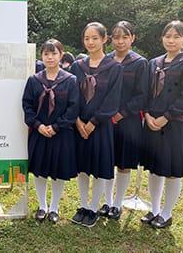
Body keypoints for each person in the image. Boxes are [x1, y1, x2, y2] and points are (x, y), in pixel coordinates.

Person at [140, 20, 183, 229]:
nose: (171, 40)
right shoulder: (154, 62)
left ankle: (166, 213)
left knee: (173, 170)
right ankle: (154, 209)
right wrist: (147, 114)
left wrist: (165, 117)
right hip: (151, 122)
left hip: (174, 123)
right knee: (155, 169)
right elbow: (146, 92)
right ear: (162, 38)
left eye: (176, 36)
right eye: (168, 36)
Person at [69, 22, 123, 227]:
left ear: (104, 39)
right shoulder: (77, 66)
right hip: (79, 125)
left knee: (99, 167)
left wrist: (92, 122)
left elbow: (112, 100)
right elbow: (72, 96)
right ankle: (83, 205)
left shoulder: (114, 67)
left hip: (100, 127)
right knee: (82, 167)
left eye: (94, 38)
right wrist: (78, 121)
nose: (90, 42)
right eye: (86, 38)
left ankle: (93, 208)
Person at [22, 39, 79, 223]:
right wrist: (38, 125)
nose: (50, 57)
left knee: (57, 170)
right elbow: (27, 105)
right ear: (41, 56)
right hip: (39, 132)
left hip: (61, 133)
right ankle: (41, 205)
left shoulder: (70, 80)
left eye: (54, 53)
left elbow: (73, 108)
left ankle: (54, 207)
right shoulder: (34, 80)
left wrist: (55, 127)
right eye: (46, 53)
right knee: (39, 170)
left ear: (61, 55)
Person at [99, 21, 148, 220]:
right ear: (110, 39)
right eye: (116, 37)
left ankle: (118, 203)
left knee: (123, 163)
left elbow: (142, 95)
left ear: (132, 38)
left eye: (125, 37)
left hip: (128, 121)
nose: (120, 41)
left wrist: (121, 113)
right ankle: (107, 201)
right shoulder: (106, 60)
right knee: (106, 162)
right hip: (105, 120)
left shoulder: (139, 62)